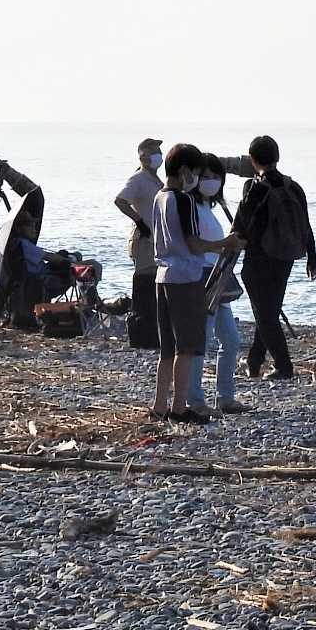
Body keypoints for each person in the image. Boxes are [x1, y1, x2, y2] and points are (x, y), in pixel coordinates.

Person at [151, 144, 239, 422]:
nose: (198, 180)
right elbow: (193, 243)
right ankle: (179, 407)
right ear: (186, 171)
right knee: (187, 346)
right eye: (197, 173)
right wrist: (226, 243)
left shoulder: (159, 197)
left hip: (163, 275)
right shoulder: (184, 199)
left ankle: (159, 405)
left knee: (168, 348)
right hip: (187, 276)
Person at [230, 135, 316, 381]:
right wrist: (312, 257)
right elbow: (307, 224)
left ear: (253, 159)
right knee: (270, 309)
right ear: (277, 157)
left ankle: (283, 365)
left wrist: (229, 246)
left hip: (259, 257)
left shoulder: (255, 186)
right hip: (285, 256)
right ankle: (255, 362)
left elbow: (243, 221)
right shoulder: (293, 186)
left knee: (265, 313)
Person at [187, 156, 251, 415]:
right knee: (202, 340)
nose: (211, 182)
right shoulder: (191, 206)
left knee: (231, 340)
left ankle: (225, 397)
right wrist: (226, 243)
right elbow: (194, 244)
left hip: (217, 277)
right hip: (203, 278)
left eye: (216, 177)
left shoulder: (207, 207)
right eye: (206, 176)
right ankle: (195, 399)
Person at [115, 138, 164, 350]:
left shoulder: (155, 179)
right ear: (143, 155)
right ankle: (142, 333)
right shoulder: (139, 178)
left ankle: (154, 331)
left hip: (156, 240)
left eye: (159, 150)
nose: (158, 155)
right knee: (144, 283)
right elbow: (120, 200)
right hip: (144, 239)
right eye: (153, 150)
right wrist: (139, 221)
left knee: (155, 285)